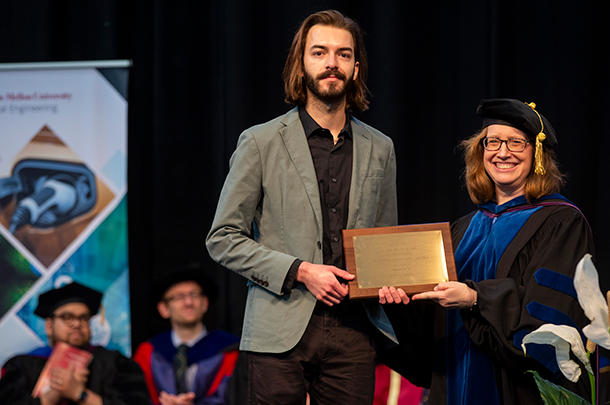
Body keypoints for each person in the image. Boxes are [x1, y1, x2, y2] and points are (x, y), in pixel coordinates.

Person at [206, 9, 398, 405]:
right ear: (301, 64)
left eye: (343, 55)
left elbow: (384, 242)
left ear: (356, 69)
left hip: (354, 330)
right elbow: (222, 238)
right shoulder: (260, 142)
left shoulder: (381, 147)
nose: (332, 63)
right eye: (320, 53)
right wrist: (301, 271)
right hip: (279, 326)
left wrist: (391, 280)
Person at [378, 98, 595, 405]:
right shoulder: (463, 229)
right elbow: (431, 330)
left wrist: (475, 297)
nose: (503, 152)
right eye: (493, 142)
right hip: (454, 381)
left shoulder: (561, 222)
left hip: (517, 390)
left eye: (516, 143)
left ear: (537, 155)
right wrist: (398, 303)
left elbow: (552, 320)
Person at [0, 281, 150, 405]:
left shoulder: (115, 363)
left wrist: (80, 394)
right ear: (49, 326)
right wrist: (50, 397)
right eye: (67, 317)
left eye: (84, 318)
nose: (77, 324)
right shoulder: (22, 365)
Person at [133, 266, 241, 405]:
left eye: (194, 295)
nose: (188, 302)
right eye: (179, 297)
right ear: (163, 309)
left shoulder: (230, 350)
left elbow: (234, 398)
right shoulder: (148, 352)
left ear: (205, 303)